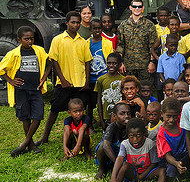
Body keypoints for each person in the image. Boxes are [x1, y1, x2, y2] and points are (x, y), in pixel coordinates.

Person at [36, 11, 92, 146]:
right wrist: (63, 79)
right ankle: (45, 137)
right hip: (64, 83)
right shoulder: (58, 40)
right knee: (55, 109)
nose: (76, 25)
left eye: (78, 22)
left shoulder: (83, 42)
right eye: (73, 22)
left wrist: (87, 81)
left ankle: (84, 135)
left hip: (80, 83)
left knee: (82, 110)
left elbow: (87, 62)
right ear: (66, 23)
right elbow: (54, 61)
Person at [1, 26, 51, 156]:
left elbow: (50, 62)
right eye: (26, 39)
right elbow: (1, 69)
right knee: (25, 117)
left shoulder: (39, 51)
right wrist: (11, 81)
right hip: (21, 90)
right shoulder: (13, 54)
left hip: (36, 89)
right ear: (19, 40)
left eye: (32, 38)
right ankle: (31, 145)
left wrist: (43, 79)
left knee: (38, 115)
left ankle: (24, 143)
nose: (30, 41)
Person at [103, 117, 165, 182]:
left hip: (147, 173)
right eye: (131, 136)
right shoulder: (125, 144)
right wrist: (113, 177)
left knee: (162, 171)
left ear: (143, 133)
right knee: (124, 165)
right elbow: (120, 158)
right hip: (132, 173)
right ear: (128, 135)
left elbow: (154, 163)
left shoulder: (149, 143)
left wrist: (142, 176)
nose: (135, 139)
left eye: (138, 135)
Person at [116, 0, 157, 82]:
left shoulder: (149, 25)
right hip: (128, 65)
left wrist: (152, 62)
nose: (137, 9)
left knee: (145, 90)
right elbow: (120, 45)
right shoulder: (123, 26)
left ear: (143, 8)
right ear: (130, 8)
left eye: (139, 6)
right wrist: (120, 63)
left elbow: (153, 46)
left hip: (145, 65)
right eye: (134, 6)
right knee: (129, 89)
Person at [87, 19, 113, 128]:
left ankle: (104, 121)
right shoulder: (86, 43)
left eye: (99, 28)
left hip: (103, 77)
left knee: (102, 101)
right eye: (94, 28)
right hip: (92, 78)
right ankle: (90, 125)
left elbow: (111, 58)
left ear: (102, 29)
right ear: (90, 29)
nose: (97, 30)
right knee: (90, 102)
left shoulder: (107, 43)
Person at [95, 103, 131, 179]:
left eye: (128, 113)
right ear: (114, 116)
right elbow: (105, 145)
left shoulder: (131, 127)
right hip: (110, 157)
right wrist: (117, 164)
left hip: (123, 156)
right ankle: (102, 169)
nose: (126, 116)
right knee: (102, 146)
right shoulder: (112, 127)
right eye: (122, 114)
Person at [157, 97, 189, 180]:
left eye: (174, 116)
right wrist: (176, 163)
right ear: (162, 114)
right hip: (173, 159)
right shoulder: (161, 133)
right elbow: (167, 156)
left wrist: (180, 100)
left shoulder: (180, 120)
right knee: (171, 172)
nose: (171, 120)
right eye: (168, 116)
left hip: (188, 154)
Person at [95, 53, 124, 130]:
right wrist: (101, 120)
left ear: (120, 64)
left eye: (114, 63)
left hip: (120, 116)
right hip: (106, 117)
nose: (111, 65)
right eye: (109, 63)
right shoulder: (101, 80)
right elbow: (99, 100)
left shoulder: (124, 80)